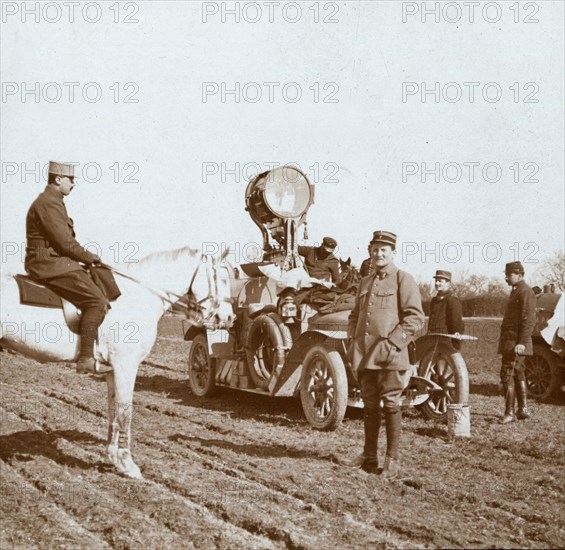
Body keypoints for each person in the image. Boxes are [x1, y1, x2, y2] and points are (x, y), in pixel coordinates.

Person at [345, 231, 424, 479]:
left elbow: (415, 318)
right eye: (375, 249)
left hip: (390, 355)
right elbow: (355, 316)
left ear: (393, 253)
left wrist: (393, 344)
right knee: (369, 405)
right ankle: (369, 456)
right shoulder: (365, 282)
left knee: (391, 404)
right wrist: (352, 339)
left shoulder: (403, 279)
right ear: (370, 251)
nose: (379, 254)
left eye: (384, 250)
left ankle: (392, 460)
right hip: (365, 355)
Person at [25, 161, 112, 375]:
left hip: (55, 262)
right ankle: (86, 359)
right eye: (71, 179)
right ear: (58, 179)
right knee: (97, 301)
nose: (73, 184)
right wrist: (90, 257)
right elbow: (65, 243)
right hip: (49, 265)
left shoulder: (53, 201)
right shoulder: (48, 202)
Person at [498, 261, 536, 424]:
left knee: (507, 374)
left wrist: (521, 342)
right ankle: (522, 410)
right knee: (518, 372)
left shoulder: (525, 292)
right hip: (511, 342)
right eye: (506, 274)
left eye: (509, 274)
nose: (506, 277)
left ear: (519, 275)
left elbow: (528, 320)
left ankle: (509, 413)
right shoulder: (517, 291)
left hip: (516, 343)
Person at [427, 270, 465, 350]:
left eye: (440, 281)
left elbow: (456, 323)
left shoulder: (452, 301)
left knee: (440, 362)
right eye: (436, 281)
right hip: (432, 340)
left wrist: (455, 344)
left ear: (448, 283)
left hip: (445, 342)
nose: (437, 283)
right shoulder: (434, 300)